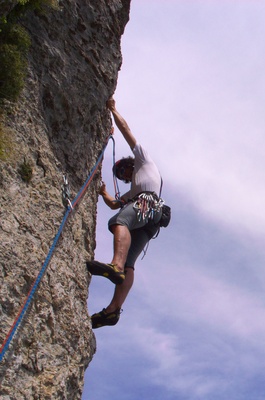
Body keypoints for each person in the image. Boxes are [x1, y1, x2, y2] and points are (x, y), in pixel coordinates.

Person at [87, 97, 164, 329]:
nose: (123, 176)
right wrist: (102, 192)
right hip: (152, 218)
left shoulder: (143, 160)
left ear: (131, 165)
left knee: (120, 221)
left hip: (149, 205)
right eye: (120, 176)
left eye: (123, 171)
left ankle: (115, 267)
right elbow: (114, 203)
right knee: (131, 262)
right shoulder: (135, 190)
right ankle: (113, 311)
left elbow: (126, 130)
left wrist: (113, 110)